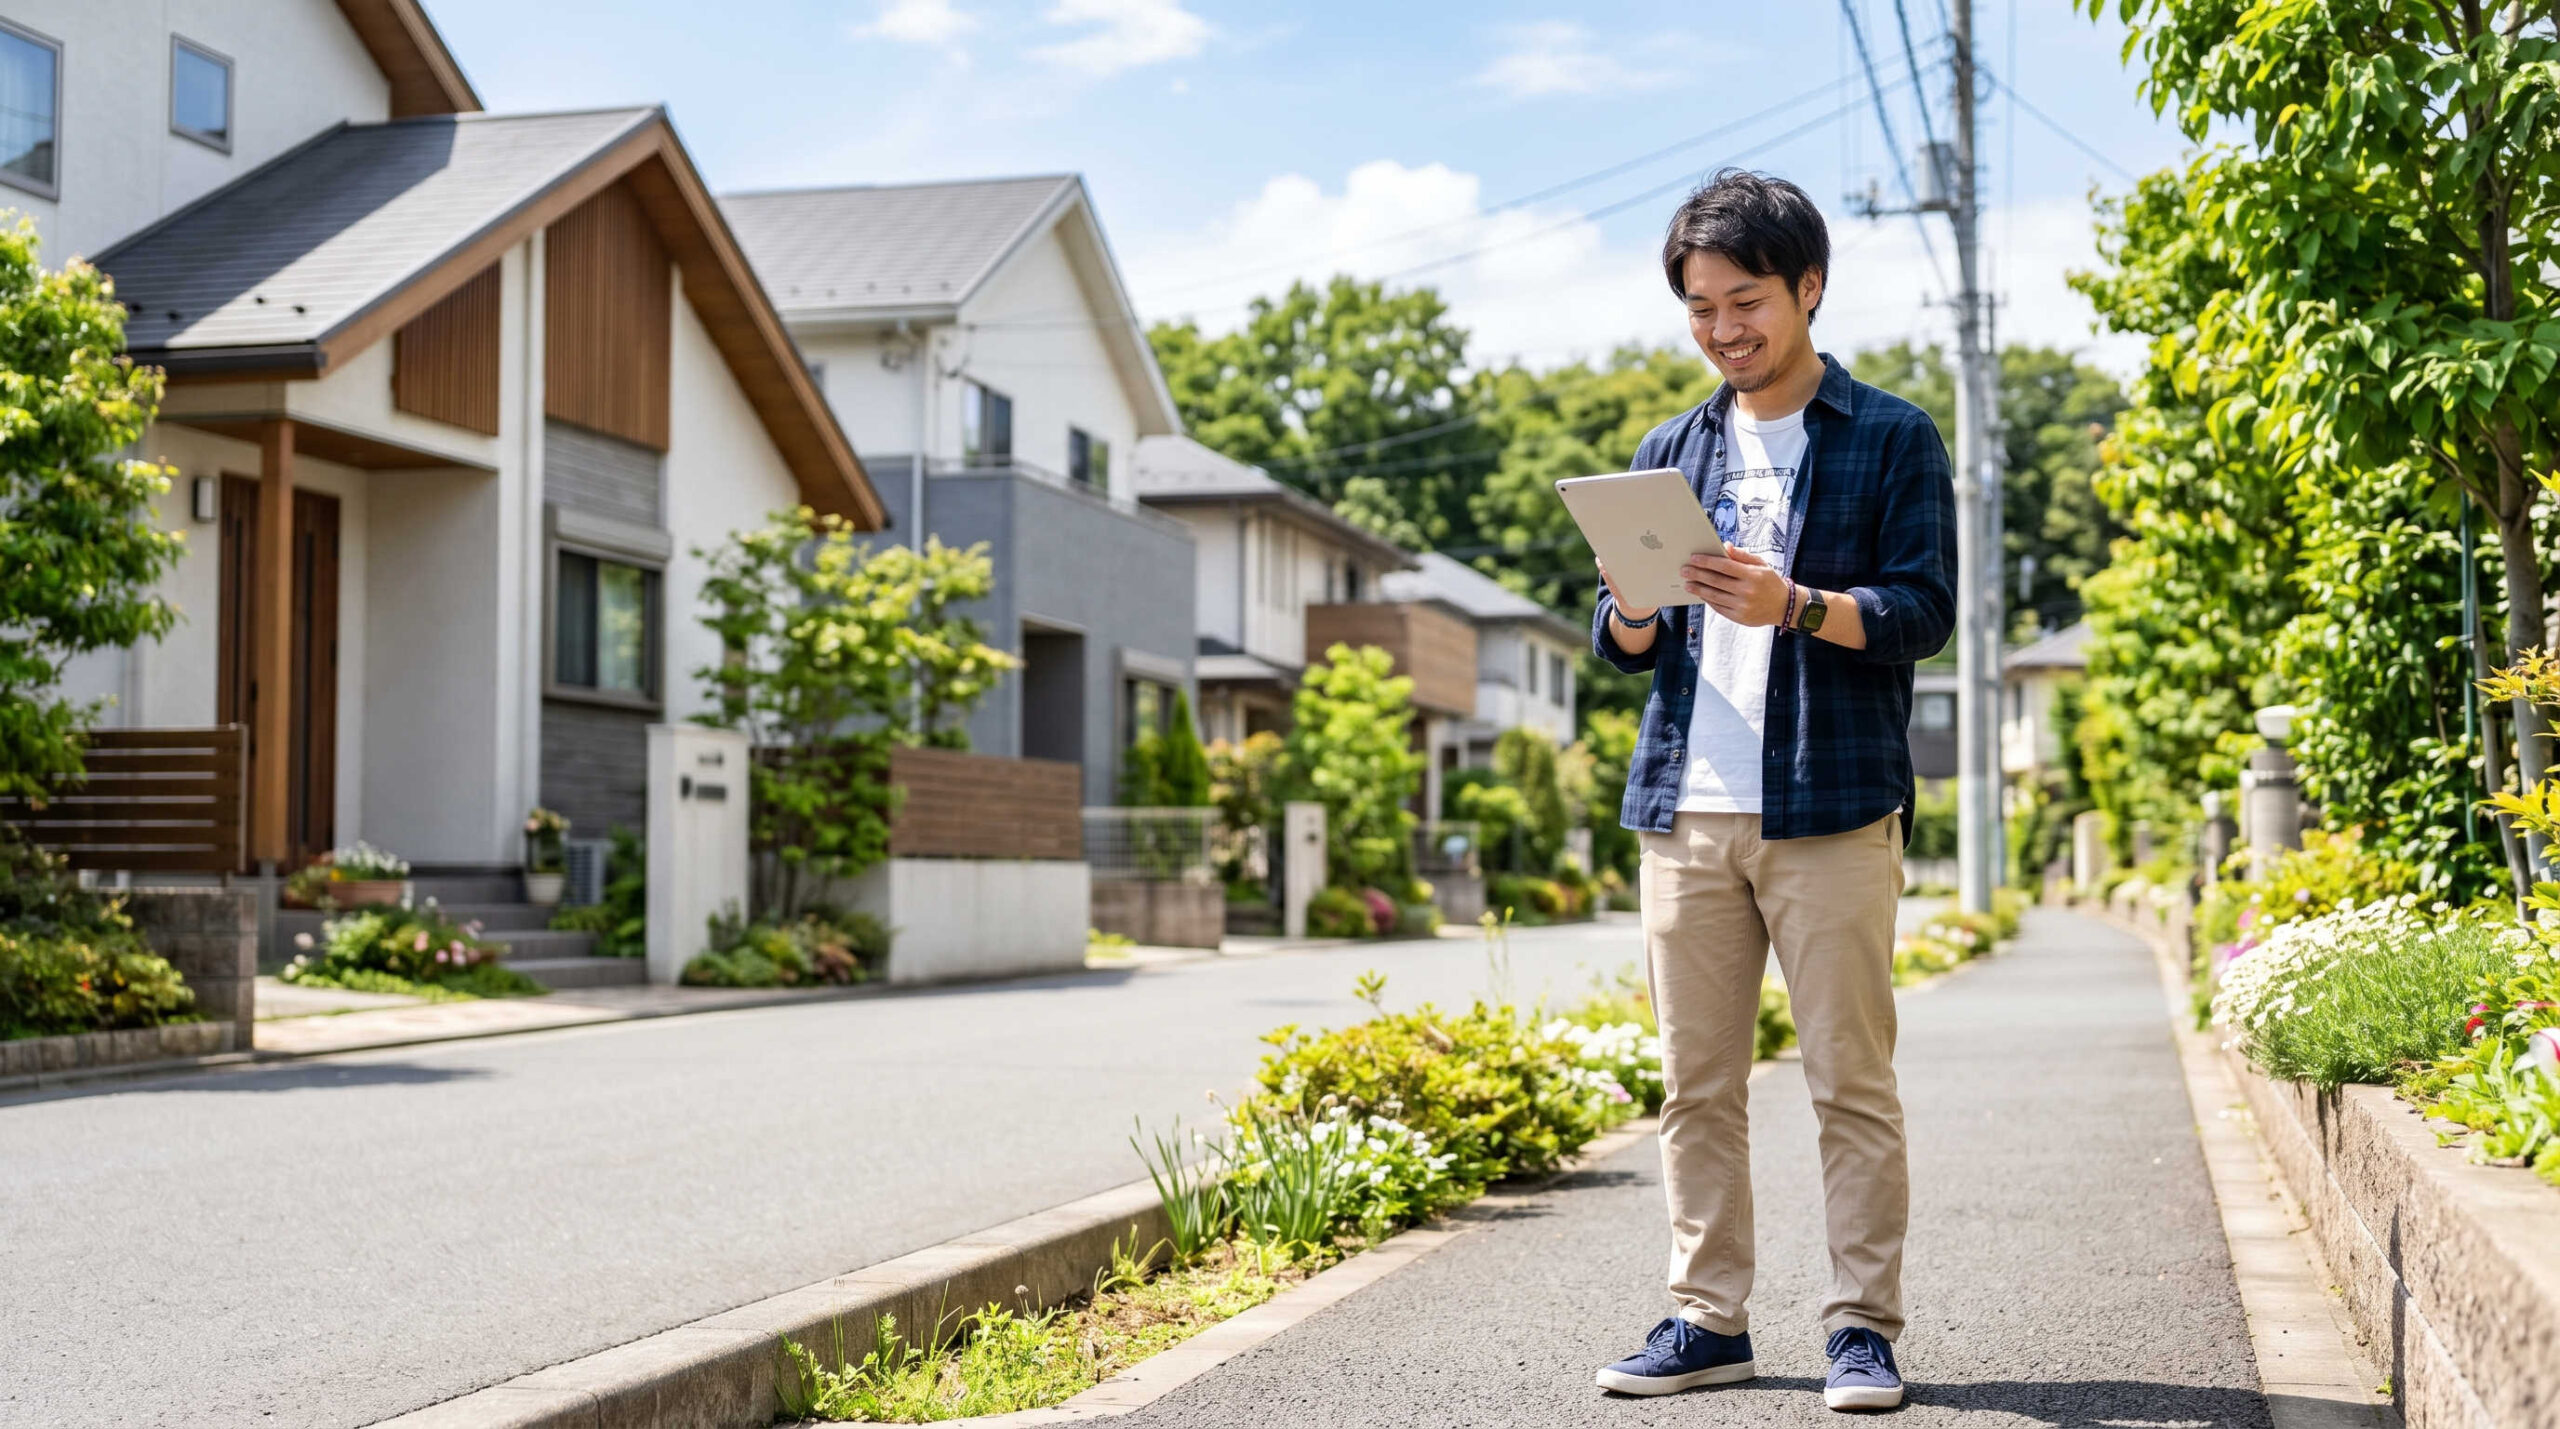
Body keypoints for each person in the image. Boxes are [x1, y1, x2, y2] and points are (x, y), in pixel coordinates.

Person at [1587, 169, 1956, 1413]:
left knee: (1848, 1079)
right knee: (1695, 1084)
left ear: (1806, 288)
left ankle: (1861, 1328)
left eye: (1742, 301)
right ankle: (1706, 1320)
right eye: (1699, 308)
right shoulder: (1669, 448)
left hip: (1831, 804)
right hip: (1685, 806)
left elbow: (1925, 613)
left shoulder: (1892, 435)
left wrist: (1795, 603)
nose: (1721, 330)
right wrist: (1634, 605)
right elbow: (1621, 637)